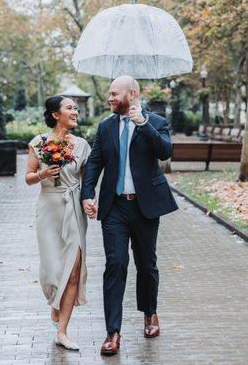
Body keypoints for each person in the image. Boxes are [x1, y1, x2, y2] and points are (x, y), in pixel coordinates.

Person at [81, 75, 178, 356]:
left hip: (145, 206)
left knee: (146, 264)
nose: (110, 98)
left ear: (131, 94)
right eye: (109, 94)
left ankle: (150, 313)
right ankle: (113, 332)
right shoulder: (106, 126)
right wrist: (88, 194)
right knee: (116, 264)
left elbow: (165, 152)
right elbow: (96, 161)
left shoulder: (155, 121)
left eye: (114, 93)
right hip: (115, 207)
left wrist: (143, 124)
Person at [25, 95, 91, 350]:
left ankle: (62, 331)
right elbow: (28, 177)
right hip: (49, 210)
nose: (75, 111)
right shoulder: (39, 143)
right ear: (55, 114)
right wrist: (42, 173)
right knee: (52, 271)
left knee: (74, 269)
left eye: (76, 108)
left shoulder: (83, 145)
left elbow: (87, 181)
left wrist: (89, 200)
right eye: (69, 108)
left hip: (73, 208)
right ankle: (55, 301)